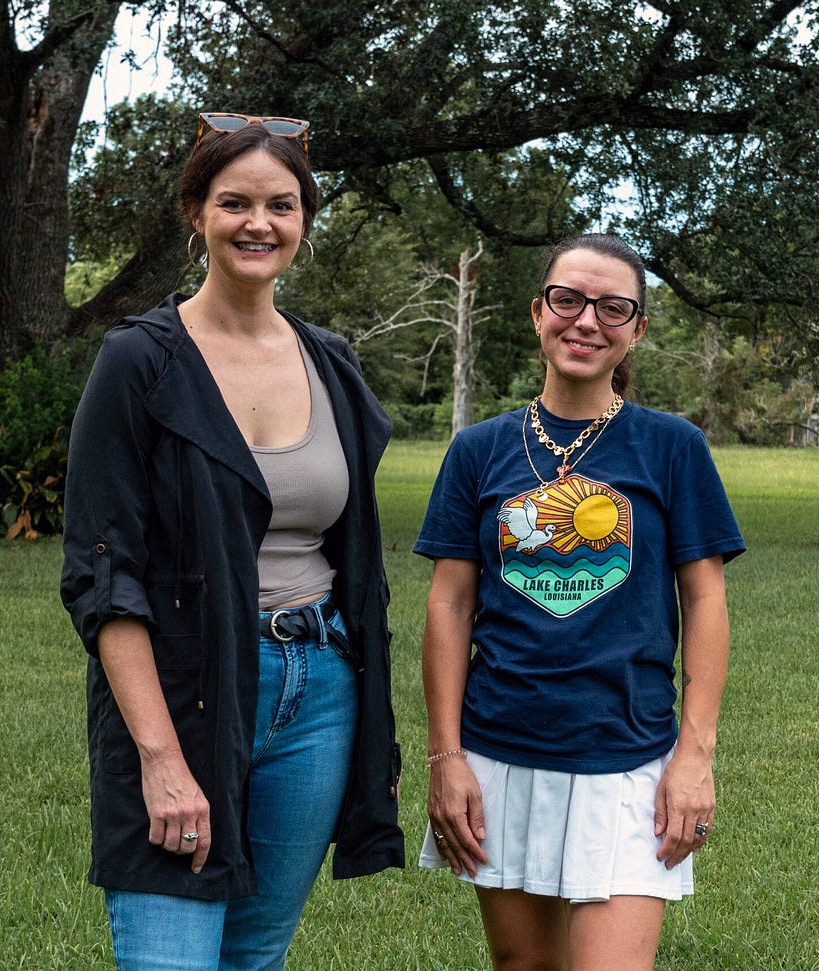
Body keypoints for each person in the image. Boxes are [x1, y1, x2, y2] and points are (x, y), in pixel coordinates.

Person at [60, 112, 404, 971]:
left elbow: (358, 563)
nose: (260, 223)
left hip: (319, 686)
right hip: (183, 688)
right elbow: (104, 575)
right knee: (169, 955)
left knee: (255, 957)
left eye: (282, 205)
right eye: (235, 202)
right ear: (197, 213)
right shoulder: (141, 361)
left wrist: (374, 741)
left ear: (305, 220)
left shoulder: (331, 362)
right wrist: (161, 760)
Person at [416, 233, 745, 970]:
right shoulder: (478, 449)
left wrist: (695, 753)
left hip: (630, 755)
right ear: (538, 312)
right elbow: (449, 606)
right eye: (568, 299)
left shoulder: (672, 447)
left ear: (637, 328)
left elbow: (706, 600)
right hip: (502, 749)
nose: (586, 320)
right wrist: (447, 756)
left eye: (612, 306)